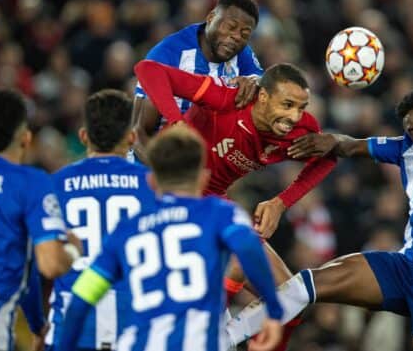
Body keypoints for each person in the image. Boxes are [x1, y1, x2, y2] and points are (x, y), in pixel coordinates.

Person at [225, 89, 413, 351]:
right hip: (406, 267)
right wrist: (329, 140)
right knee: (308, 283)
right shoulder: (406, 149)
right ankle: (224, 338)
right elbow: (352, 145)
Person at [134, 59, 337, 350]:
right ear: (263, 97)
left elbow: (327, 159)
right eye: (287, 104)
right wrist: (177, 124)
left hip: (213, 202)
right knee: (238, 262)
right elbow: (148, 70)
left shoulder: (300, 130)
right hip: (171, 195)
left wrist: (281, 203)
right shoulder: (226, 98)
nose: (294, 116)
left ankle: (221, 338)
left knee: (292, 300)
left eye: (301, 107)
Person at [57, 125, 284, 351]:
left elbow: (82, 296)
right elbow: (249, 249)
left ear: (152, 182)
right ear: (204, 178)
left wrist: (64, 346)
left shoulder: (126, 230)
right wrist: (273, 311)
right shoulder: (221, 213)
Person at [46, 89, 157, 350]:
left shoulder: (55, 185)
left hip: (75, 320)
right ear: (131, 137)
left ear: (84, 136)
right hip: (136, 319)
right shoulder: (154, 186)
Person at [0, 88, 82, 350]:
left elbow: (25, 267)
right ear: (25, 138)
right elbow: (49, 264)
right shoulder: (30, 183)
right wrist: (73, 250)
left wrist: (37, 323)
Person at [131, 0, 262, 162]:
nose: (236, 37)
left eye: (245, 34)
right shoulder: (168, 54)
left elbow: (264, 81)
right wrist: (165, 175)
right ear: (211, 17)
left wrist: (255, 81)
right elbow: (137, 131)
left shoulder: (242, 53)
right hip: (158, 159)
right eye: (230, 27)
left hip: (205, 160)